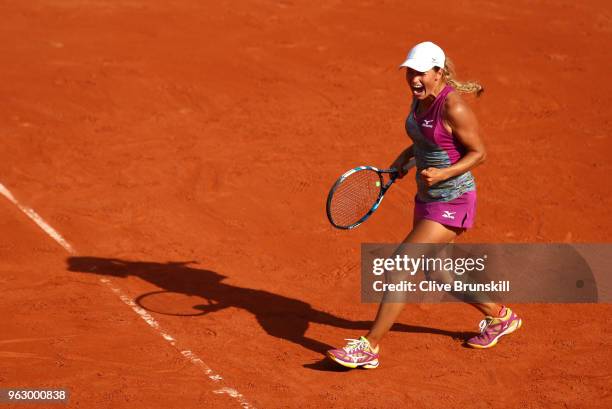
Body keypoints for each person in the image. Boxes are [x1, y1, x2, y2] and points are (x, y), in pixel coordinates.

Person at [327, 41, 522, 369]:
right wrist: (405, 159)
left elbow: (479, 153)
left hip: (453, 199)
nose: (413, 79)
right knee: (438, 273)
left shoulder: (453, 107)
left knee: (398, 266)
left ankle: (369, 347)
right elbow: (425, 139)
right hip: (428, 198)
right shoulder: (419, 98)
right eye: (410, 72)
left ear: (438, 72)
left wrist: (444, 172)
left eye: (420, 73)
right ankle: (499, 316)